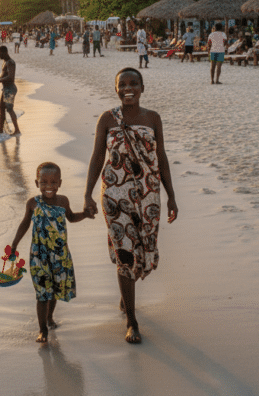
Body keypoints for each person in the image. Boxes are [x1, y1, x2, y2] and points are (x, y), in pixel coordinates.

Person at [83, 68, 177, 345]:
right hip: (114, 195)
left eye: (133, 83)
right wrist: (87, 194)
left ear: (142, 87)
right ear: (116, 89)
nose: (128, 88)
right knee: (125, 252)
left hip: (148, 195)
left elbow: (161, 158)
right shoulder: (108, 119)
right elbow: (97, 156)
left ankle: (126, 298)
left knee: (143, 248)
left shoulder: (153, 118)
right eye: (122, 84)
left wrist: (171, 195)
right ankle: (131, 321)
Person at [8, 161, 90, 343]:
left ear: (60, 183)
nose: (49, 186)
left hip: (60, 256)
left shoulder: (63, 201)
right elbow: (24, 224)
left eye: (53, 182)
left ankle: (50, 317)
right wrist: (14, 245)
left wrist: (85, 214)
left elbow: (71, 217)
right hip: (39, 257)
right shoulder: (32, 204)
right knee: (42, 294)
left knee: (55, 291)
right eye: (43, 182)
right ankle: (42, 329)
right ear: (37, 183)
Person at [0, 45, 20, 135]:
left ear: (5, 52)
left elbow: (10, 77)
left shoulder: (10, 62)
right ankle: (1, 129)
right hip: (6, 89)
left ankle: (17, 130)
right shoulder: (5, 62)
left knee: (9, 109)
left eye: (0, 54)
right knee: (2, 107)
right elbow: (3, 76)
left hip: (10, 89)